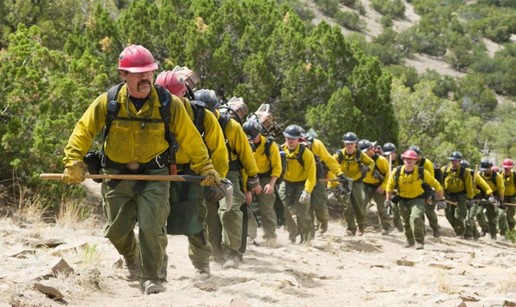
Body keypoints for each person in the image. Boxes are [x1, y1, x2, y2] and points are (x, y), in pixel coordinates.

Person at [62, 45, 220, 294]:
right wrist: (73, 161)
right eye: (138, 73)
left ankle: (152, 277)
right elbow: (83, 130)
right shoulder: (109, 101)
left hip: (155, 175)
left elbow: (191, 139)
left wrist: (206, 168)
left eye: (149, 72)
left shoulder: (169, 104)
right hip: (115, 174)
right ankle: (130, 256)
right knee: (117, 230)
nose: (145, 77)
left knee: (152, 227)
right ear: (124, 75)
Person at [155, 70, 228, 278]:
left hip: (194, 174)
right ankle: (157, 266)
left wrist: (218, 180)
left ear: (184, 94)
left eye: (173, 97)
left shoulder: (202, 116)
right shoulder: (151, 113)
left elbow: (219, 150)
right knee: (154, 222)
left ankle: (202, 266)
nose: (168, 101)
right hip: (159, 173)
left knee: (196, 222)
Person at [195, 90, 260, 269]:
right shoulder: (194, 123)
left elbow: (246, 153)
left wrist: (252, 177)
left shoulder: (231, 126)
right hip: (204, 172)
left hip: (228, 172)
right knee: (209, 216)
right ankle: (217, 255)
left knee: (229, 210)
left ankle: (233, 252)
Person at [385, 150, 445, 250]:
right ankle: (409, 240)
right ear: (403, 159)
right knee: (406, 221)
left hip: (418, 199)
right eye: (407, 159)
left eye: (411, 159)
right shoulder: (397, 171)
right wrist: (387, 200)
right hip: (402, 199)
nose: (409, 161)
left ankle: (419, 241)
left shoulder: (422, 172)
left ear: (416, 161)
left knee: (416, 217)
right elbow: (390, 186)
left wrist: (441, 199)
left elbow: (436, 184)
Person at [242, 120, 282, 244]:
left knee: (267, 208)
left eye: (253, 138)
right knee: (244, 206)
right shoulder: (243, 145)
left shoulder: (269, 145)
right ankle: (249, 236)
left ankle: (270, 237)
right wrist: (247, 190)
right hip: (247, 176)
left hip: (265, 178)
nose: (251, 141)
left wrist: (271, 184)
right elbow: (242, 167)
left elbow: (277, 167)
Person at [278, 125, 317, 243]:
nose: (290, 141)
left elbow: (311, 175)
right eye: (288, 138)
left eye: (293, 139)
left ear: (298, 139)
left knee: (302, 214)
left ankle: (307, 237)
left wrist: (307, 191)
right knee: (282, 208)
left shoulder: (306, 153)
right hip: (286, 183)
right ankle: (292, 232)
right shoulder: (280, 150)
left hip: (302, 184)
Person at [303, 129, 346, 234]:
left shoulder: (317, 144)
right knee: (305, 206)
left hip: (318, 178)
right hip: (302, 179)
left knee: (319, 205)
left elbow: (329, 160)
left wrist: (339, 173)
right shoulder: (291, 145)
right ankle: (309, 232)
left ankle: (323, 220)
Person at [333, 132, 375, 236]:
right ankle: (351, 228)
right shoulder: (339, 154)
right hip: (344, 181)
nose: (349, 145)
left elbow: (371, 163)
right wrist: (336, 184)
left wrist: (367, 168)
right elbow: (331, 165)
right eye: (347, 143)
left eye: (351, 143)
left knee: (358, 205)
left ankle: (361, 225)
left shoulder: (359, 154)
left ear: (355, 143)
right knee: (347, 206)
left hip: (356, 182)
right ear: (344, 144)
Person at [409, 145, 441, 238]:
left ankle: (435, 229)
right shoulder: (409, 162)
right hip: (415, 189)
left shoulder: (426, 163)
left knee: (429, 211)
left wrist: (431, 194)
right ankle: (421, 231)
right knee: (418, 211)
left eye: (416, 155)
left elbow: (430, 179)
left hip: (427, 189)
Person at [360, 140, 390, 235]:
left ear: (370, 149)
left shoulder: (381, 160)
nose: (364, 153)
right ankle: (361, 226)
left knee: (382, 208)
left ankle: (385, 228)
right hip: (365, 185)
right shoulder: (359, 159)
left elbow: (388, 176)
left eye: (366, 151)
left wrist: (383, 187)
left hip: (378, 186)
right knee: (360, 205)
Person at [440, 151, 474, 237]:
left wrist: (470, 198)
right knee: (448, 215)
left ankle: (460, 233)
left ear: (459, 161)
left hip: (461, 196)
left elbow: (469, 186)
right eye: (452, 160)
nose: (454, 162)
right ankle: (455, 230)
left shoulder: (465, 172)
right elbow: (440, 183)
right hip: (448, 195)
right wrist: (440, 195)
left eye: (456, 161)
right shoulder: (444, 170)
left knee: (459, 215)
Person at [478, 159, 506, 240]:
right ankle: (484, 229)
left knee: (492, 217)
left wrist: (501, 201)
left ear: (490, 168)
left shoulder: (497, 177)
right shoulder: (479, 174)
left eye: (486, 169)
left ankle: (493, 235)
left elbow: (501, 190)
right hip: (482, 195)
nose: (484, 171)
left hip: (494, 196)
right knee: (478, 212)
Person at [382, 142, 403, 232]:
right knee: (384, 207)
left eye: (391, 154)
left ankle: (399, 228)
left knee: (396, 208)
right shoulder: (383, 161)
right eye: (387, 154)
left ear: (395, 152)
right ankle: (385, 228)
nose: (389, 156)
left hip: (399, 187)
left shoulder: (402, 160)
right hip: (387, 187)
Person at [501, 159, 516, 232]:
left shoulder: (515, 176)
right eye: (505, 168)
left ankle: (511, 231)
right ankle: (502, 232)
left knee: (510, 216)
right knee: (500, 215)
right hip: (501, 197)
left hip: (511, 198)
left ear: (511, 168)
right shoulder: (499, 175)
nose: (507, 170)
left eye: (508, 168)